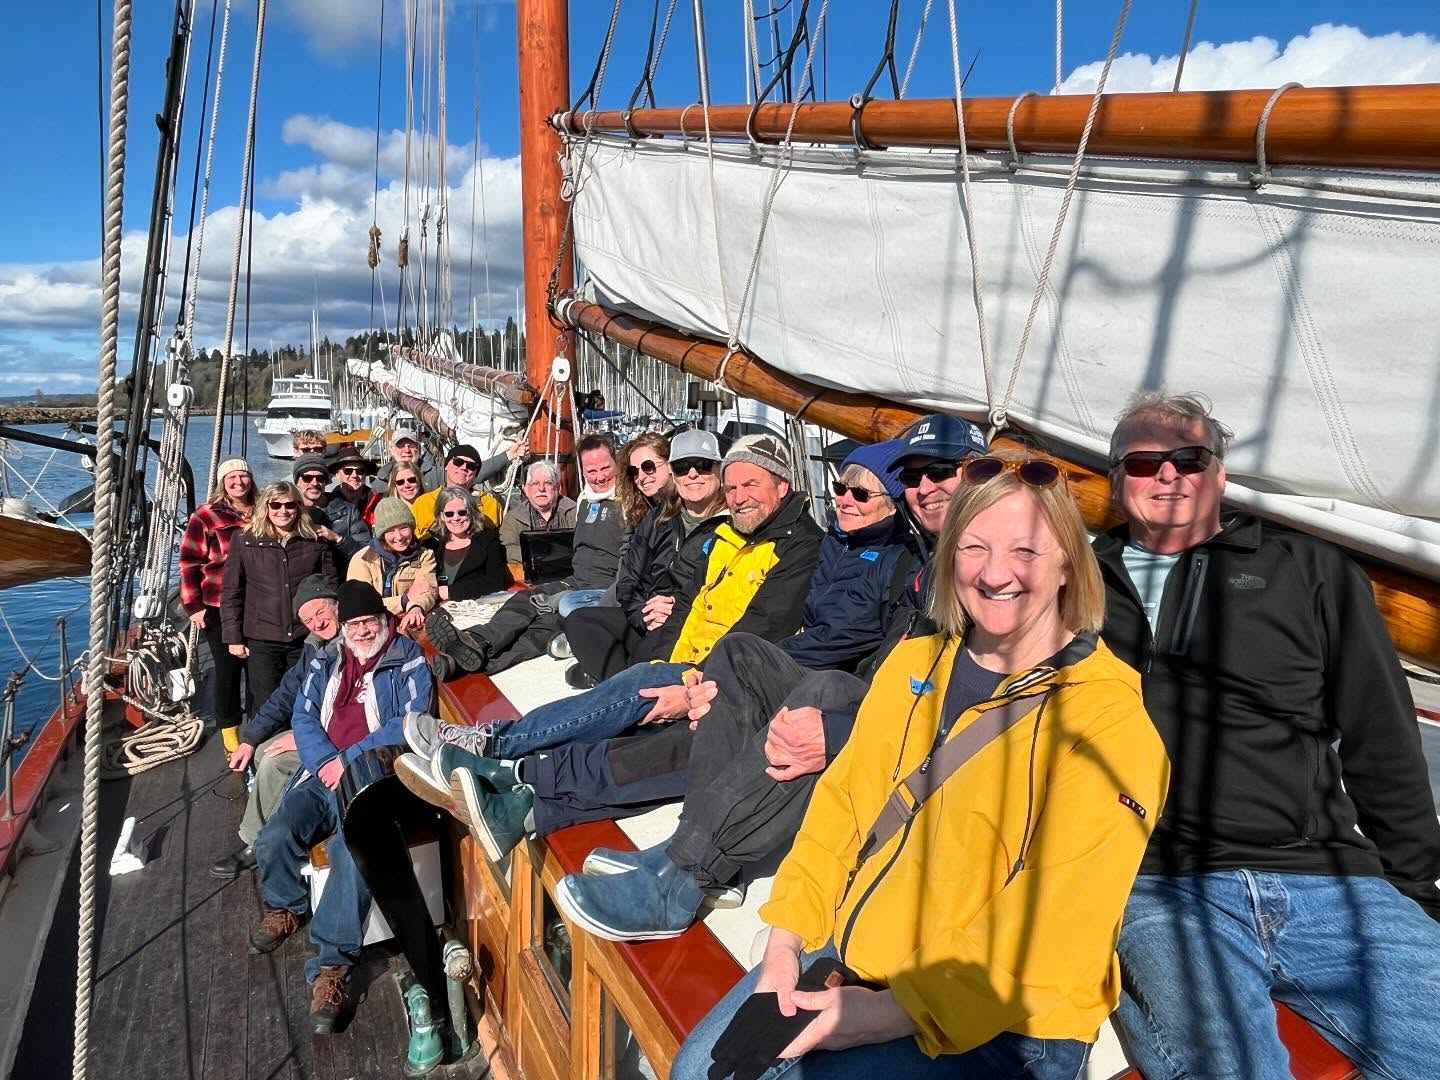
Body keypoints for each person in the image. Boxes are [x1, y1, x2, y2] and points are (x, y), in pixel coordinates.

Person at [671, 449, 1169, 1080]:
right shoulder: (914, 665)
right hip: (857, 952)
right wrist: (786, 942)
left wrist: (875, 1016)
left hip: (1004, 1014)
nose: (995, 574)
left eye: (1025, 551)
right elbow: (842, 810)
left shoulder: (1105, 719)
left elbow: (1055, 916)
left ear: (1069, 563)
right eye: (974, 547)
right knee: (698, 1069)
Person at [1092, 391, 1440, 1080]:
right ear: (1113, 481)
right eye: (1143, 462)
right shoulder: (1074, 584)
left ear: (1219, 472)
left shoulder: (1311, 571)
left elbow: (1382, 739)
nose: (1168, 475)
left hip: (1328, 878)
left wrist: (1414, 892)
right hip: (1161, 884)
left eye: (1189, 458)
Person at [405, 435, 827, 857]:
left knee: (621, 678)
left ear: (782, 485)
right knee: (612, 667)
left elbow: (759, 632)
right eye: (733, 487)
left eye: (749, 485)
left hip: (712, 675)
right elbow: (676, 604)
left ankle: (495, 747)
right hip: (679, 660)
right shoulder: (721, 535)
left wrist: (686, 687)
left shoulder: (798, 548)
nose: (737, 497)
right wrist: (654, 659)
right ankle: (507, 769)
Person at [248, 580, 433, 1034]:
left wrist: (347, 759)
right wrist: (325, 761)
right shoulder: (326, 660)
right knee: (276, 833)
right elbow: (304, 717)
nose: (364, 630)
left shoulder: (407, 659)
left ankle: (331, 967)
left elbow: (406, 724)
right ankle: (285, 905)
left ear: (384, 620)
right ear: (344, 627)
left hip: (372, 775)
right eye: (355, 623)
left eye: (371, 621)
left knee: (353, 854)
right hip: (322, 772)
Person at [428, 434, 626, 675]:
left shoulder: (627, 505)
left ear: (618, 464)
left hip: (602, 589)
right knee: (524, 600)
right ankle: (476, 640)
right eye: (591, 470)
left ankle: (466, 663)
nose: (599, 476)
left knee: (547, 623)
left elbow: (632, 565)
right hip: (575, 580)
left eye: (605, 467)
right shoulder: (587, 502)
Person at [561, 428, 729, 685]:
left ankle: (609, 682)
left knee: (574, 609)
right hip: (647, 615)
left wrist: (669, 609)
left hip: (685, 621)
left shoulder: (727, 525)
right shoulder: (659, 517)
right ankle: (614, 682)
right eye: (633, 471)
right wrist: (643, 612)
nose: (692, 474)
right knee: (577, 620)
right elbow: (629, 577)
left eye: (703, 466)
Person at [210, 576, 339, 880]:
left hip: (336, 735)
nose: (317, 624)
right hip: (315, 728)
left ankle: (256, 842)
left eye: (321, 613)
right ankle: (279, 822)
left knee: (274, 762)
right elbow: (285, 694)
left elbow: (355, 710)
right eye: (308, 619)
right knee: (261, 751)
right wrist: (250, 738)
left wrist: (308, 737)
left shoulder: (351, 644)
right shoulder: (314, 648)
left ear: (337, 606)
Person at [220, 480, 339, 717]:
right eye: (275, 505)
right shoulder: (245, 540)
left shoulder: (314, 540)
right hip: (263, 637)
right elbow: (232, 591)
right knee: (265, 702)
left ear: (298, 507)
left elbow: (331, 586)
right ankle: (262, 751)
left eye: (289, 505)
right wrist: (233, 638)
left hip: (305, 634)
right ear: (266, 507)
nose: (283, 511)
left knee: (306, 697)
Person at [178, 457, 254, 751]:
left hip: (257, 601)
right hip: (218, 604)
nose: (238, 482)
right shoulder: (206, 516)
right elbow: (189, 561)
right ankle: (230, 735)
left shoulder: (263, 510)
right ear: (223, 482)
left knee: (258, 670)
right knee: (227, 670)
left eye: (243, 476)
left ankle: (259, 728)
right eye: (231, 477)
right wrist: (193, 606)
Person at [347, 497, 438, 638]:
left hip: (407, 620)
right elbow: (362, 604)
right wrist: (405, 600)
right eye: (391, 531)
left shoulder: (425, 555)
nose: (399, 536)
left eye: (404, 528)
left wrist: (416, 606)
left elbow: (429, 590)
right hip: (372, 627)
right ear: (382, 534)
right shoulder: (362, 560)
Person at [423, 485, 508, 602]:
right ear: (441, 516)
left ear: (472, 513)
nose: (456, 518)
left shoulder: (488, 540)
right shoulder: (431, 544)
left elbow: (496, 582)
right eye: (449, 514)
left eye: (462, 512)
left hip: (475, 609)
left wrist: (451, 592)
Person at [496, 458, 577, 567]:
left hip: (568, 576)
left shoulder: (574, 512)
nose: (541, 488)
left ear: (557, 488)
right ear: (526, 489)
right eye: (535, 483)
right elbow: (507, 549)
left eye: (548, 483)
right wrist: (540, 556)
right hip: (529, 579)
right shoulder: (513, 518)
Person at [411, 443, 503, 536]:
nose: (464, 467)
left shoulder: (490, 504)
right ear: (446, 465)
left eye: (471, 466)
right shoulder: (423, 503)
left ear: (475, 474)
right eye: (458, 462)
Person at [327, 447, 382, 558]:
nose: (354, 475)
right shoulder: (328, 505)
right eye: (348, 471)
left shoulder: (379, 502)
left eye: (360, 471)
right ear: (338, 474)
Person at [376, 430, 441, 491]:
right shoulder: (383, 479)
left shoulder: (436, 475)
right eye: (401, 446)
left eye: (411, 446)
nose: (407, 450)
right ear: (392, 450)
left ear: (419, 448)